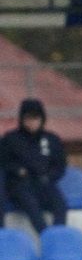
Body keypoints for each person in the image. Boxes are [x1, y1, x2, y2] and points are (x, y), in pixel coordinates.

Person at [0, 98, 68, 234]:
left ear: (42, 119)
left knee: (61, 205)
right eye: (28, 118)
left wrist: (49, 177)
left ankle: (57, 238)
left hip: (44, 184)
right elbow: (3, 162)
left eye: (35, 118)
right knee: (32, 207)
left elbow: (60, 165)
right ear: (22, 119)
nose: (32, 122)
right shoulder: (10, 139)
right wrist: (18, 170)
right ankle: (46, 237)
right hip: (19, 185)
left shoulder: (52, 139)